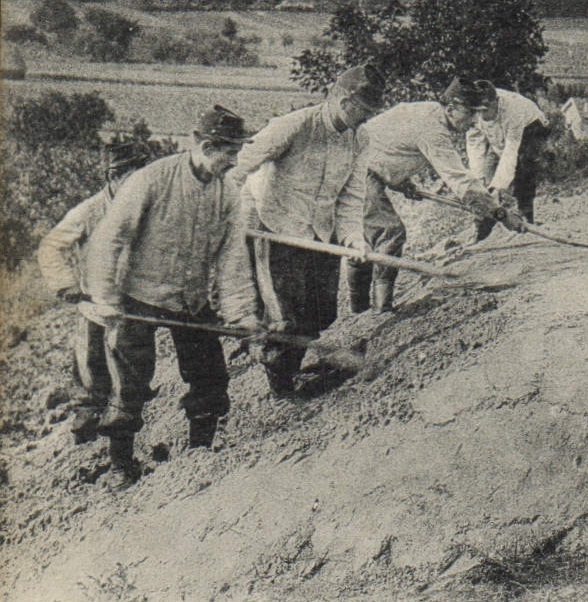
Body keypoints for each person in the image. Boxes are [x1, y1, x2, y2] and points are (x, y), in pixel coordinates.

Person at [80, 107, 262, 485]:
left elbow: (232, 259)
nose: (234, 161)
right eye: (229, 153)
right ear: (208, 146)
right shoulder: (153, 179)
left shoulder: (227, 194)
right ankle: (120, 466)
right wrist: (106, 298)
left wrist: (242, 314)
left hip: (191, 300)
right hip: (138, 296)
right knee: (129, 384)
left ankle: (199, 452)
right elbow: (108, 239)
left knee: (210, 376)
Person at [236, 64, 385, 396]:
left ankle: (292, 368)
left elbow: (351, 194)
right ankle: (282, 389)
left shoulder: (361, 138)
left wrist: (353, 237)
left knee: (321, 311)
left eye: (371, 112)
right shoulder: (295, 125)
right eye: (362, 109)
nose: (365, 118)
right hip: (275, 226)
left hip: (320, 231)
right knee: (283, 315)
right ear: (342, 99)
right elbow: (241, 163)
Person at [340, 76, 509, 314]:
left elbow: (389, 147)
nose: (474, 122)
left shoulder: (428, 112)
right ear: (451, 108)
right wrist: (496, 210)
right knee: (389, 231)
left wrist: (400, 181)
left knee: (366, 237)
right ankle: (380, 309)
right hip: (355, 171)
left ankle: (359, 311)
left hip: (358, 165)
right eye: (470, 114)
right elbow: (458, 179)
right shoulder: (433, 129)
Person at [36, 138, 156, 443]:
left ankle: (120, 460)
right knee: (91, 380)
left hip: (131, 310)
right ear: (113, 176)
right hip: (94, 309)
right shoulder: (89, 211)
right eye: (130, 177)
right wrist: (67, 286)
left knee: (126, 388)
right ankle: (83, 454)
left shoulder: (148, 210)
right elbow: (51, 246)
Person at [467, 84, 558, 241]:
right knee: (486, 182)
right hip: (499, 136)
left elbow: (510, 151)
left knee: (524, 167)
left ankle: (526, 215)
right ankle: (481, 227)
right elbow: (475, 143)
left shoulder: (513, 110)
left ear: (496, 102)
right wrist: (478, 179)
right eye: (478, 111)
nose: (481, 115)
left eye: (485, 110)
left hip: (531, 126)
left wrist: (499, 187)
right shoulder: (474, 113)